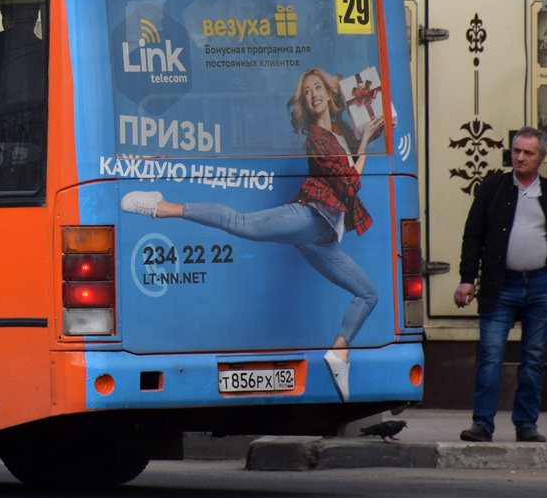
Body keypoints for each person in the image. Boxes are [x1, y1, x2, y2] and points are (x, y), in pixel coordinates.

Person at [122, 66, 384, 402]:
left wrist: (376, 125)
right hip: (307, 218)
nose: (314, 94)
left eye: (318, 87)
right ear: (304, 102)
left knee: (368, 293)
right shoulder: (316, 139)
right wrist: (363, 143)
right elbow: (348, 182)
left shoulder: (340, 132)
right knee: (241, 223)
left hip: (322, 238)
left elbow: (365, 132)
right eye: (307, 92)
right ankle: (162, 207)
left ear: (329, 94)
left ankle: (339, 354)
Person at [454, 127, 547, 443]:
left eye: (528, 153)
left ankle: (526, 424)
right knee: (490, 354)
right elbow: (473, 236)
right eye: (516, 151)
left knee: (533, 357)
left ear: (541, 157)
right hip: (501, 284)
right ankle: (482, 424)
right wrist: (466, 279)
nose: (520, 157)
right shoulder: (493, 188)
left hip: (541, 284)